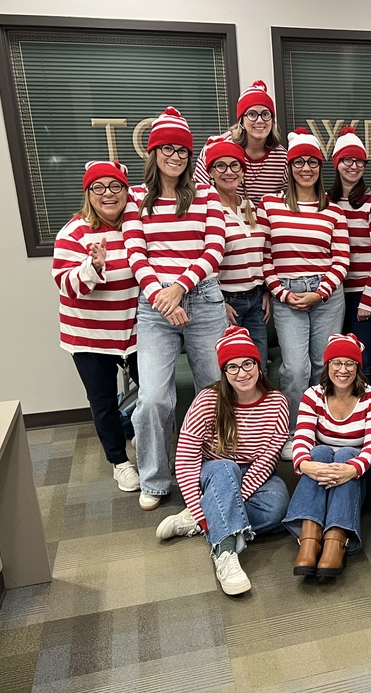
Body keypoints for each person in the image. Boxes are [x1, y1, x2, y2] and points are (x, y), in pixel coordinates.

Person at [123, 107, 228, 511]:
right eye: (166, 148)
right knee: (153, 398)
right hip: (154, 309)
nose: (175, 156)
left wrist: (180, 287)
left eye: (182, 150)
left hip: (202, 300)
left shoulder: (205, 196)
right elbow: (136, 252)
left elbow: (214, 248)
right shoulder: (135, 198)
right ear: (153, 153)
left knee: (216, 390)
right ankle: (155, 477)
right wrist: (161, 296)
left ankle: (217, 465)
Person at [158, 327, 290, 595]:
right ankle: (225, 552)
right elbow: (185, 460)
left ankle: (203, 521)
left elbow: (266, 461)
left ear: (258, 364)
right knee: (224, 467)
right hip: (213, 471)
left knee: (278, 507)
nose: (242, 373)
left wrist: (222, 505)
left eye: (247, 364)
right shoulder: (208, 400)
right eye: (232, 367)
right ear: (224, 373)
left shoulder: (277, 403)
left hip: (254, 474)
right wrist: (203, 504)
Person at [259, 128, 350, 458]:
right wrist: (282, 293)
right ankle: (297, 433)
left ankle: (321, 428)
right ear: (290, 166)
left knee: (321, 366)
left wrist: (321, 292)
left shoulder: (333, 211)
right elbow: (264, 255)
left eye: (313, 162)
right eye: (299, 162)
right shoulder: (270, 205)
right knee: (295, 370)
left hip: (326, 294)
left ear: (320, 167)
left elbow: (342, 259)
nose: (306, 168)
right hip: (287, 294)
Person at [52, 161, 140, 492]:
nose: (108, 194)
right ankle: (120, 462)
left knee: (152, 393)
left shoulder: (136, 226)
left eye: (115, 186)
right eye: (98, 188)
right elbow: (66, 285)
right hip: (89, 335)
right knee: (102, 400)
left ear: (126, 190)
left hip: (134, 332)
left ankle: (144, 448)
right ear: (88, 194)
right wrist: (92, 266)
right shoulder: (73, 233)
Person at [283, 334, 371, 578]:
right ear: (327, 366)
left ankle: (336, 539)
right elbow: (302, 438)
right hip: (324, 472)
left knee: (347, 453)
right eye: (336, 363)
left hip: (367, 474)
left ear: (358, 367)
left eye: (349, 363)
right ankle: (310, 538)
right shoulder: (312, 395)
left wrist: (351, 468)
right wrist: (305, 465)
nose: (343, 369)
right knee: (318, 451)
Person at [327, 127, 371, 379]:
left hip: (364, 294)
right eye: (347, 159)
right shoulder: (326, 201)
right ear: (336, 163)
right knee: (336, 358)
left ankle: (367, 411)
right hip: (333, 295)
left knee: (362, 359)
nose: (353, 166)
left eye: (359, 161)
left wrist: (369, 297)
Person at [204, 136, 271, 366]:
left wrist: (265, 291)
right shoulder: (208, 211)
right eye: (220, 165)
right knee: (231, 372)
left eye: (234, 165)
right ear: (211, 172)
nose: (228, 171)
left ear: (242, 171)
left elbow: (264, 254)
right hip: (226, 303)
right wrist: (219, 304)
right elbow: (204, 261)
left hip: (255, 302)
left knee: (258, 368)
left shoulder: (251, 206)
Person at [193, 79, 288, 206]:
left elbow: (287, 200)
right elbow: (199, 192)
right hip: (222, 218)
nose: (260, 120)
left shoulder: (282, 158)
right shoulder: (217, 146)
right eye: (252, 114)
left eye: (266, 114)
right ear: (241, 121)